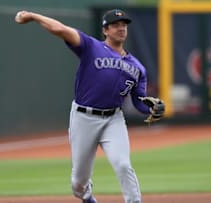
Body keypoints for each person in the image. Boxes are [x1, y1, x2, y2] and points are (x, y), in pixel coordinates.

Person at [14, 9, 164, 203]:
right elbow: (60, 29)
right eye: (116, 25)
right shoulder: (90, 46)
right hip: (83, 118)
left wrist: (151, 108)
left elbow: (139, 101)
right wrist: (33, 16)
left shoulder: (137, 67)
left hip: (113, 119)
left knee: (123, 164)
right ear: (105, 30)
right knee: (79, 182)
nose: (121, 28)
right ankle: (86, 196)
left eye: (124, 25)